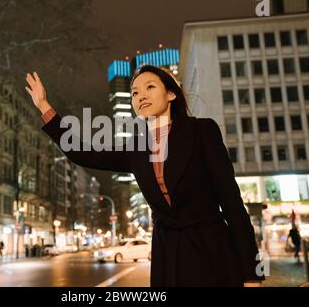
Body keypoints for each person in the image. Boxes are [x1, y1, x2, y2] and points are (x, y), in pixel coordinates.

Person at [25, 65, 265, 287]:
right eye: (135, 93)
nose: (141, 96)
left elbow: (232, 202)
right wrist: (45, 107)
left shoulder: (202, 131)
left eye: (150, 87)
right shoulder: (136, 148)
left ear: (171, 94)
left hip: (213, 252)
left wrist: (252, 273)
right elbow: (83, 153)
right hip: (168, 260)